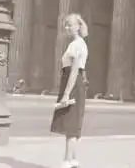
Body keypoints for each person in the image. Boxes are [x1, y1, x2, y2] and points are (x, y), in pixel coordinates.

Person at [50, 13, 89, 168]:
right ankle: (73, 160)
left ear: (78, 26)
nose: (67, 28)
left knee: (71, 124)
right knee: (72, 123)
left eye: (70, 25)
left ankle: (66, 162)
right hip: (73, 82)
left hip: (72, 83)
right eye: (65, 25)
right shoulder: (76, 43)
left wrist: (66, 93)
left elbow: (74, 70)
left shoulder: (77, 44)